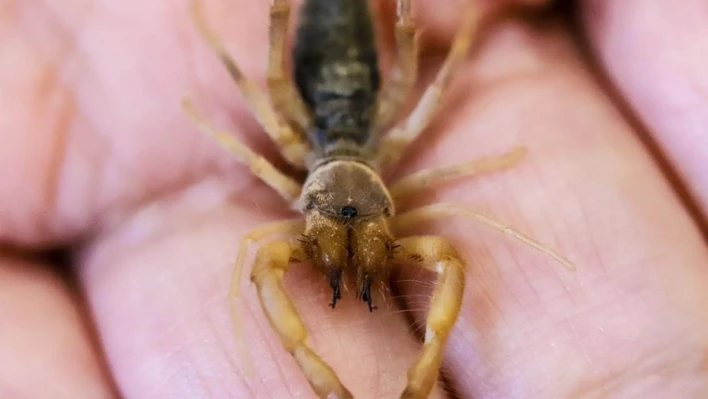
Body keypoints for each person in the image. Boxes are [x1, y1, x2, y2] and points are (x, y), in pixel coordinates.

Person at [1, 0, 706, 397]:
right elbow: (254, 133)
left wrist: (458, 38)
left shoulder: (374, 182)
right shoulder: (338, 180)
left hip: (342, 103)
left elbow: (437, 87)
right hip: (345, 96)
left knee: (390, 60)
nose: (342, 237)